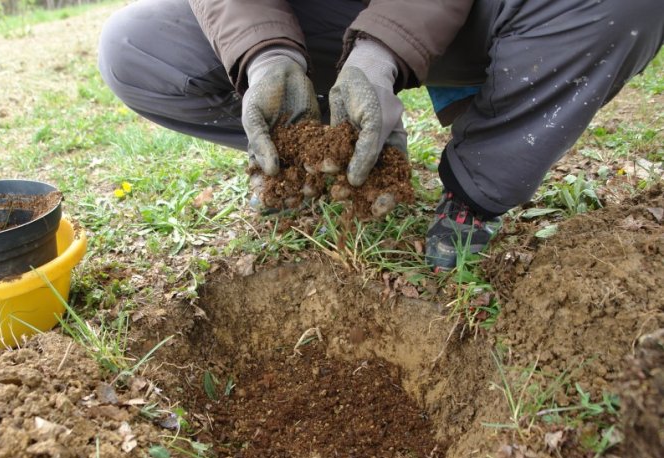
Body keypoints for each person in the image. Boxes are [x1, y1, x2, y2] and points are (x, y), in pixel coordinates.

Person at [97, 0, 663, 270]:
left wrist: (382, 49)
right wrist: (262, 52)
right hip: (316, 14)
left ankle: (475, 188)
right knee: (133, 45)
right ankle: (321, 150)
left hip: (473, 14)